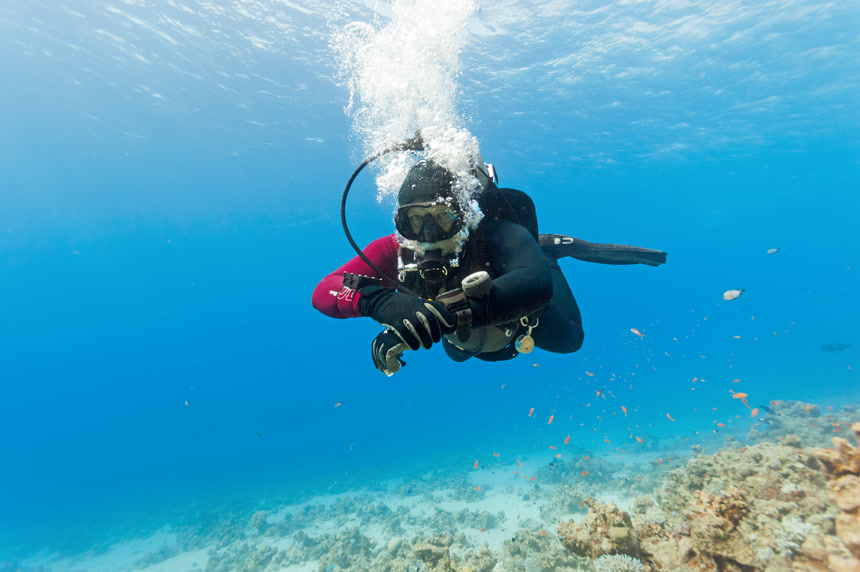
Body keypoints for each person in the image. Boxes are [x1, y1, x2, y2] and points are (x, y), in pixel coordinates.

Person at [312, 157, 666, 375]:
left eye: (444, 218)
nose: (429, 234)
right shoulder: (395, 249)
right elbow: (324, 290)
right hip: (468, 342)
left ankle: (547, 250)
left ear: (465, 216)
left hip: (520, 323)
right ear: (399, 222)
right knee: (459, 354)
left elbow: (537, 285)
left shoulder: (496, 235)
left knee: (571, 340)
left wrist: (441, 315)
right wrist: (378, 302)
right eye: (415, 221)